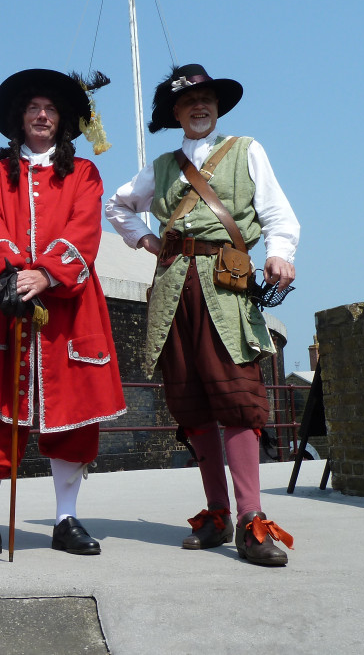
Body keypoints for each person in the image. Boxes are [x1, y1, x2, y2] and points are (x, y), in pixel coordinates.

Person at [106, 64, 299, 566]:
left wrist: (280, 252)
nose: (200, 106)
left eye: (207, 98)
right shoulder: (164, 165)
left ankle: (251, 522)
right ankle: (216, 514)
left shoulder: (246, 149)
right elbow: (119, 206)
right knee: (191, 402)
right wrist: (145, 239)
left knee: (237, 397)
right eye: (189, 101)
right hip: (172, 290)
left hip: (225, 286)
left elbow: (278, 214)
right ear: (176, 112)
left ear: (217, 105)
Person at [0, 69, 126, 560]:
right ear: (20, 117)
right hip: (4, 304)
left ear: (63, 122)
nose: (42, 115)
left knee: (73, 413)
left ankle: (66, 518)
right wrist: (12, 275)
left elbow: (85, 231)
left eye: (51, 109)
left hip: (68, 307)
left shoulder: (84, 173)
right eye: (34, 108)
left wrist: (47, 275)